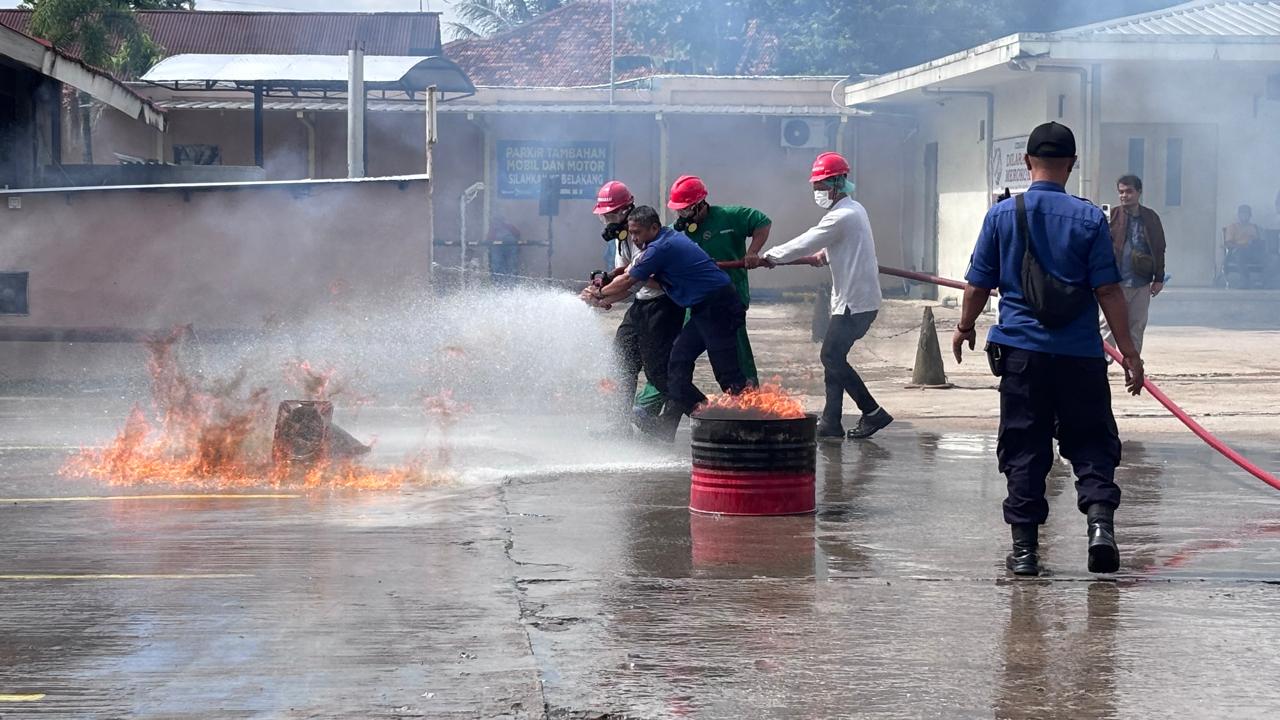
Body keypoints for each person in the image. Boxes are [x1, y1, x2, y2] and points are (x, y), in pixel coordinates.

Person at [951, 122, 1145, 577]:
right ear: (1072, 165)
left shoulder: (1002, 216)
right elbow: (1109, 290)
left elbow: (977, 283)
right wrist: (1131, 354)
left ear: (1026, 162)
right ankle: (1100, 529)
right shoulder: (1090, 219)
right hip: (1081, 355)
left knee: (1024, 446)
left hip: (1022, 355)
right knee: (1092, 440)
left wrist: (964, 327)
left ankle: (1025, 553)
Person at [583, 206, 747, 441]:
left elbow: (629, 280)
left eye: (638, 233)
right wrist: (603, 296)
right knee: (675, 369)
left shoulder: (661, 247)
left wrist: (599, 294)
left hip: (720, 307)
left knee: (727, 374)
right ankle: (709, 421)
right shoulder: (653, 246)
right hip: (702, 309)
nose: (634, 238)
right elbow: (631, 279)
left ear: (654, 228)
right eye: (631, 233)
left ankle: (750, 426)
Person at [761, 151, 893, 440]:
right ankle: (831, 421)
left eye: (820, 185)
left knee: (831, 356)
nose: (817, 191)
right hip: (856, 300)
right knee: (835, 359)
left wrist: (771, 256)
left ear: (836, 184)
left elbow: (807, 241)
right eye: (815, 186)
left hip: (854, 303)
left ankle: (872, 411)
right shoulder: (854, 209)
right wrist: (826, 253)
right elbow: (842, 243)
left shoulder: (842, 216)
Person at [591, 181, 682, 429]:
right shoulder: (622, 239)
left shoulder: (644, 235)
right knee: (621, 362)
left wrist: (602, 294)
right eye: (604, 216)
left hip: (663, 306)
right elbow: (625, 278)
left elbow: (634, 279)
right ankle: (619, 427)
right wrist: (603, 296)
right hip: (641, 304)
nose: (607, 222)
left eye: (610, 215)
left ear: (625, 210)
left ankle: (680, 420)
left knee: (659, 373)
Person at [666, 175, 770, 385]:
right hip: (698, 301)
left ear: (700, 205)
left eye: (685, 210)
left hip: (731, 296)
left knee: (733, 347)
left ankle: (748, 390)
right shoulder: (677, 232)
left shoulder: (730, 216)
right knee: (680, 351)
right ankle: (675, 393)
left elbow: (762, 222)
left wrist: (752, 252)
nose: (681, 215)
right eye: (678, 210)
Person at [1101, 175, 1166, 355]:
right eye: (1121, 192)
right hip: (1115, 282)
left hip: (1141, 282)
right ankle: (1103, 363)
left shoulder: (1151, 218)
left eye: (1129, 191)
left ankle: (1133, 363)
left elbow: (1159, 248)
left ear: (1139, 192)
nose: (1124, 196)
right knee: (1107, 325)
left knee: (1137, 325)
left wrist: (1159, 278)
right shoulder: (1111, 216)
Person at [1225, 204, 1263, 288]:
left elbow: (1257, 241)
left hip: (1252, 251)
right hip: (1238, 250)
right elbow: (1228, 243)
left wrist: (1255, 243)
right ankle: (1245, 282)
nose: (1245, 216)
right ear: (1239, 215)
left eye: (1247, 214)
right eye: (1243, 214)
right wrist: (1239, 246)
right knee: (1240, 255)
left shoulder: (1253, 227)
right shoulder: (1232, 227)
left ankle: (1265, 282)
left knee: (1270, 259)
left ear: (1250, 216)